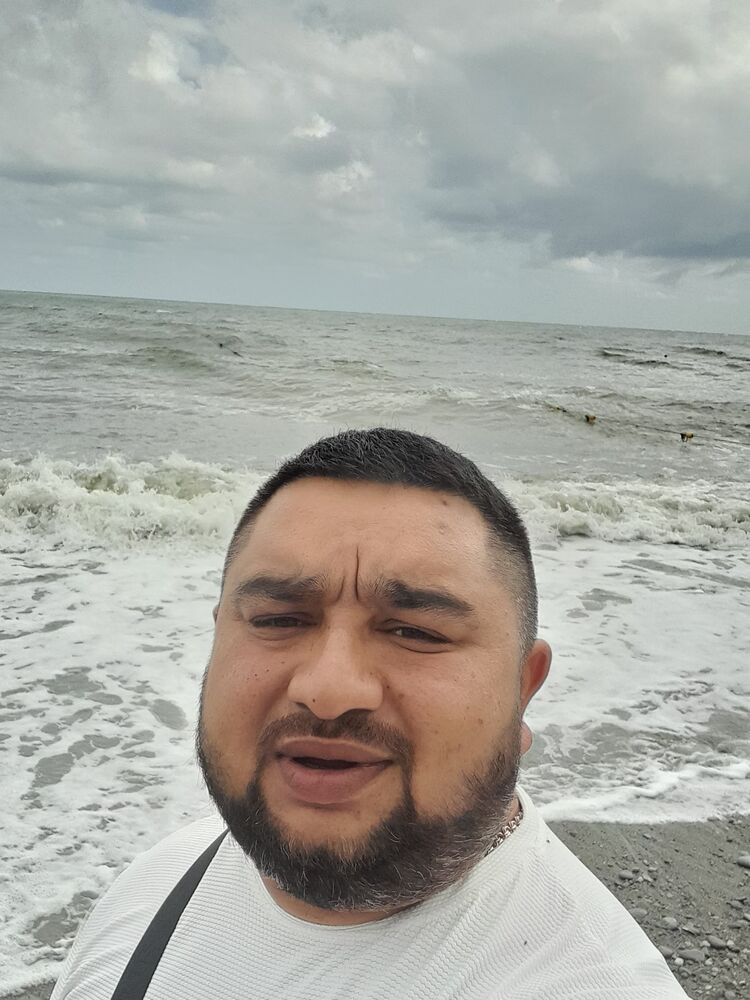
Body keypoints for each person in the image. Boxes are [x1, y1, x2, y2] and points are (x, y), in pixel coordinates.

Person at [51, 428, 688, 999]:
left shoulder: (585, 980)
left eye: (416, 632)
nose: (328, 690)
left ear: (523, 687)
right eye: (278, 620)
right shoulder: (155, 884)